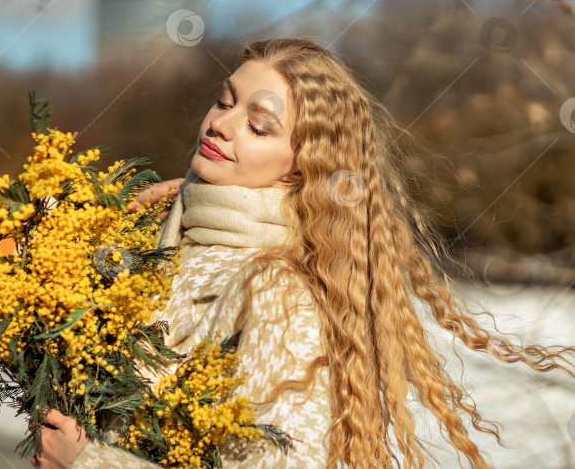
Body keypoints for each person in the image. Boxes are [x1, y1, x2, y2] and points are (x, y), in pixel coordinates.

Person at [30, 38, 575, 469]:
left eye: (259, 125)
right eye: (224, 100)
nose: (221, 123)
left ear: (300, 166)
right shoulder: (165, 233)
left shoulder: (277, 291)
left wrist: (91, 464)